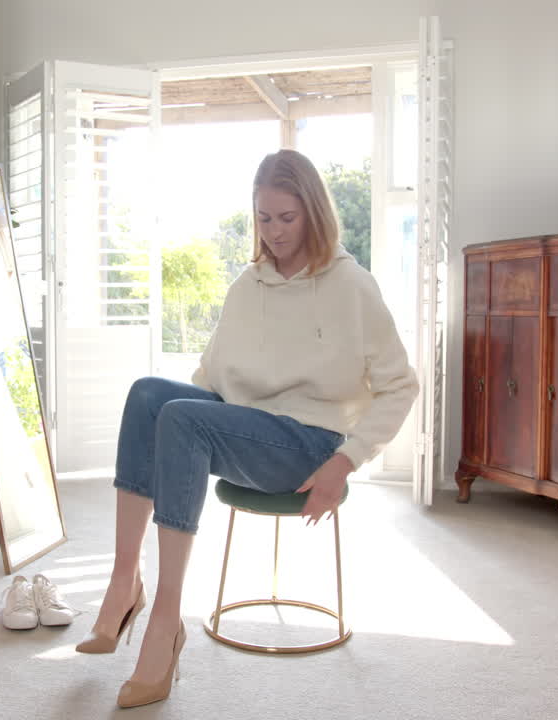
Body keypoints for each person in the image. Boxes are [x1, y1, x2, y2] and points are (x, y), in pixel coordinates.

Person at [76, 149, 419, 708]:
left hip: (310, 445)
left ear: (313, 213)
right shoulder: (248, 283)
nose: (275, 232)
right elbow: (211, 379)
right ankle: (123, 583)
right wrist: (185, 425)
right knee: (148, 395)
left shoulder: (351, 285)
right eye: (264, 218)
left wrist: (346, 460)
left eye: (288, 218)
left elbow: (401, 385)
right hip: (252, 433)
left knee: (181, 418)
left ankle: (165, 624)